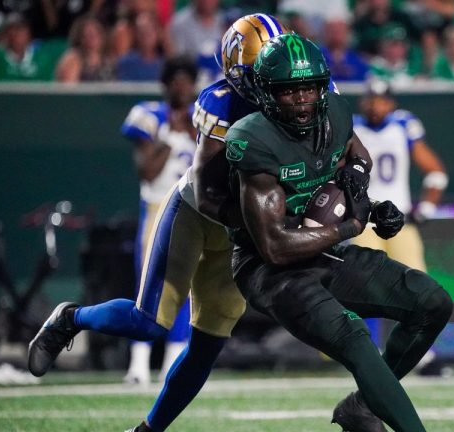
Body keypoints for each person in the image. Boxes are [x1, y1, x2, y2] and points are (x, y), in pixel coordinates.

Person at [28, 14, 288, 432]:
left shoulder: (305, 96)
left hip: (240, 228)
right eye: (265, 69)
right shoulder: (217, 102)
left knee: (206, 346)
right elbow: (203, 188)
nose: (281, 80)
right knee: (149, 320)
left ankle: (148, 430)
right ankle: (70, 318)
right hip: (198, 213)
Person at [224, 33, 453, 432]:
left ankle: (362, 407)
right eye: (289, 91)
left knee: (432, 302)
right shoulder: (252, 137)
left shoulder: (336, 115)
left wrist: (369, 202)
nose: (302, 100)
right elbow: (275, 247)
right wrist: (349, 225)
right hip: (269, 271)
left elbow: (356, 157)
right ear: (265, 93)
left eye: (310, 88)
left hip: (325, 252)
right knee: (354, 336)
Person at [118, 55, 199, 386]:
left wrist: (192, 131)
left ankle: (171, 365)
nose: (181, 86)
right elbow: (147, 171)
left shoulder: (205, 117)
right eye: (175, 79)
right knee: (148, 289)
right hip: (157, 208)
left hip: (196, 212)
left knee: (187, 290)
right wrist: (170, 136)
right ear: (165, 84)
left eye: (187, 80)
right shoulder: (148, 115)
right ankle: (138, 366)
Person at [351, 79, 448, 351]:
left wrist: (427, 207)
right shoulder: (351, 128)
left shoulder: (403, 126)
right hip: (363, 221)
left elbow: (436, 172)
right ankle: (367, 351)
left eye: (381, 99)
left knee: (419, 284)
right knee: (363, 286)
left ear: (391, 103)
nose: (375, 105)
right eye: (371, 98)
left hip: (399, 219)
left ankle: (420, 352)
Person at [54, 15, 115, 83]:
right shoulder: (73, 59)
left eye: (96, 32)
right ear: (79, 37)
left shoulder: (108, 60)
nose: (93, 37)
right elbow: (66, 90)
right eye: (87, 34)